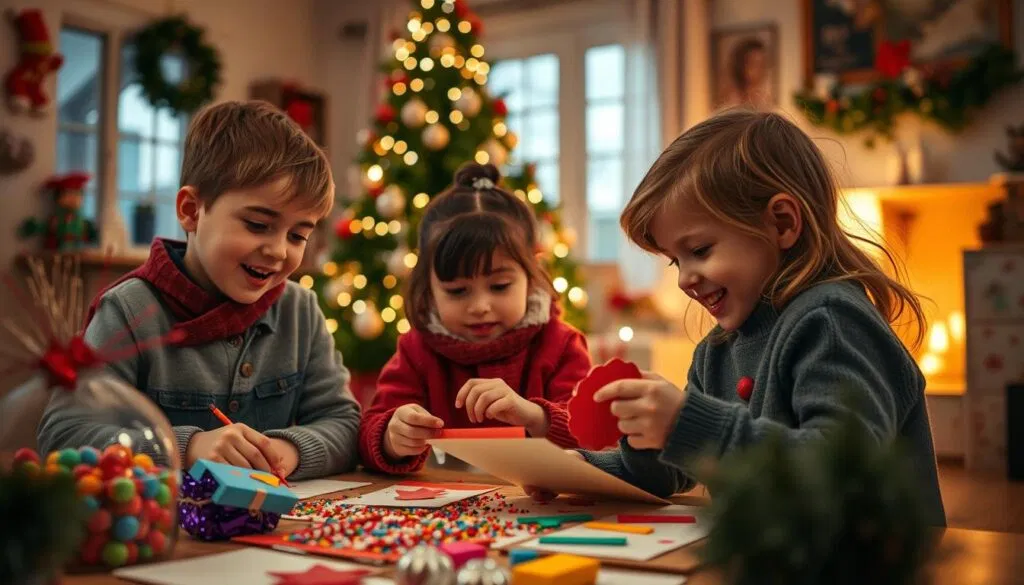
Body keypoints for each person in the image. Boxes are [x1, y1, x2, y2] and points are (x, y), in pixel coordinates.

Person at [536, 109, 946, 527]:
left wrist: (688, 422)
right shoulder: (716, 352)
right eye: (676, 261)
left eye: (699, 250)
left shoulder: (832, 320)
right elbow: (675, 469)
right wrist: (573, 467)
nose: (684, 279)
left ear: (782, 223)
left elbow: (838, 473)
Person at [37, 100, 361, 481]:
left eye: (298, 235)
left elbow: (344, 422)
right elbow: (63, 437)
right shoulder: (129, 311)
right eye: (258, 225)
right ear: (191, 211)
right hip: (159, 533)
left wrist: (287, 450)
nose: (278, 250)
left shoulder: (300, 310)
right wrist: (186, 447)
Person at [358, 163, 591, 474]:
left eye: (499, 286)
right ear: (428, 288)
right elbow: (370, 431)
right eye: (457, 291)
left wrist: (533, 415)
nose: (480, 306)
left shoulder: (561, 345)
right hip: (440, 512)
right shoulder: (417, 351)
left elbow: (592, 437)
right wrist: (391, 436)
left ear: (532, 276)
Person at [717, 37, 772, 110]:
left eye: (762, 64)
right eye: (754, 63)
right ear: (741, 65)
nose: (760, 70)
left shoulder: (764, 98)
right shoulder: (730, 100)